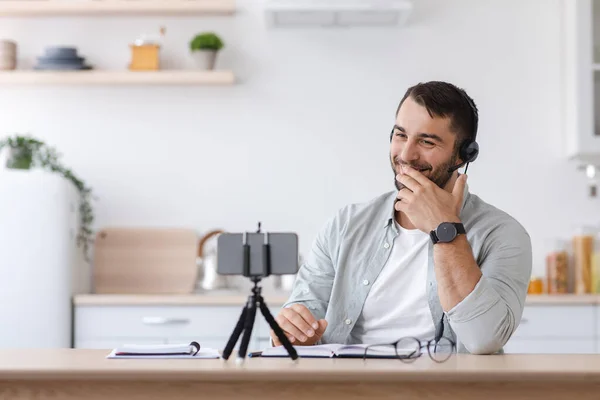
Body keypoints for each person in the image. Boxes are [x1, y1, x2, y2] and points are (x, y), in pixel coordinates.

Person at [270, 81, 532, 355]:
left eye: (427, 141)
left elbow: (484, 339)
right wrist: (291, 331)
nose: (406, 155)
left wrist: (446, 230)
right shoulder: (345, 225)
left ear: (464, 154)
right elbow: (301, 318)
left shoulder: (503, 234)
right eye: (400, 135)